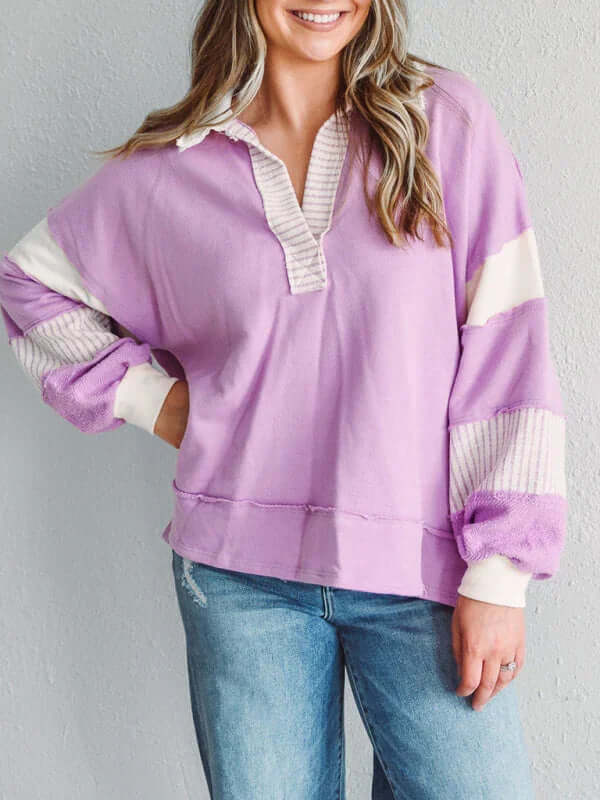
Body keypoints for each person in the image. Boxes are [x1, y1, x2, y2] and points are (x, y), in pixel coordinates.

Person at [0, 1, 567, 797]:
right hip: (239, 582)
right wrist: (164, 407)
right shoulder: (173, 167)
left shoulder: (443, 120)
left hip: (425, 574)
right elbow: (29, 282)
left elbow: (509, 348)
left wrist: (501, 574)